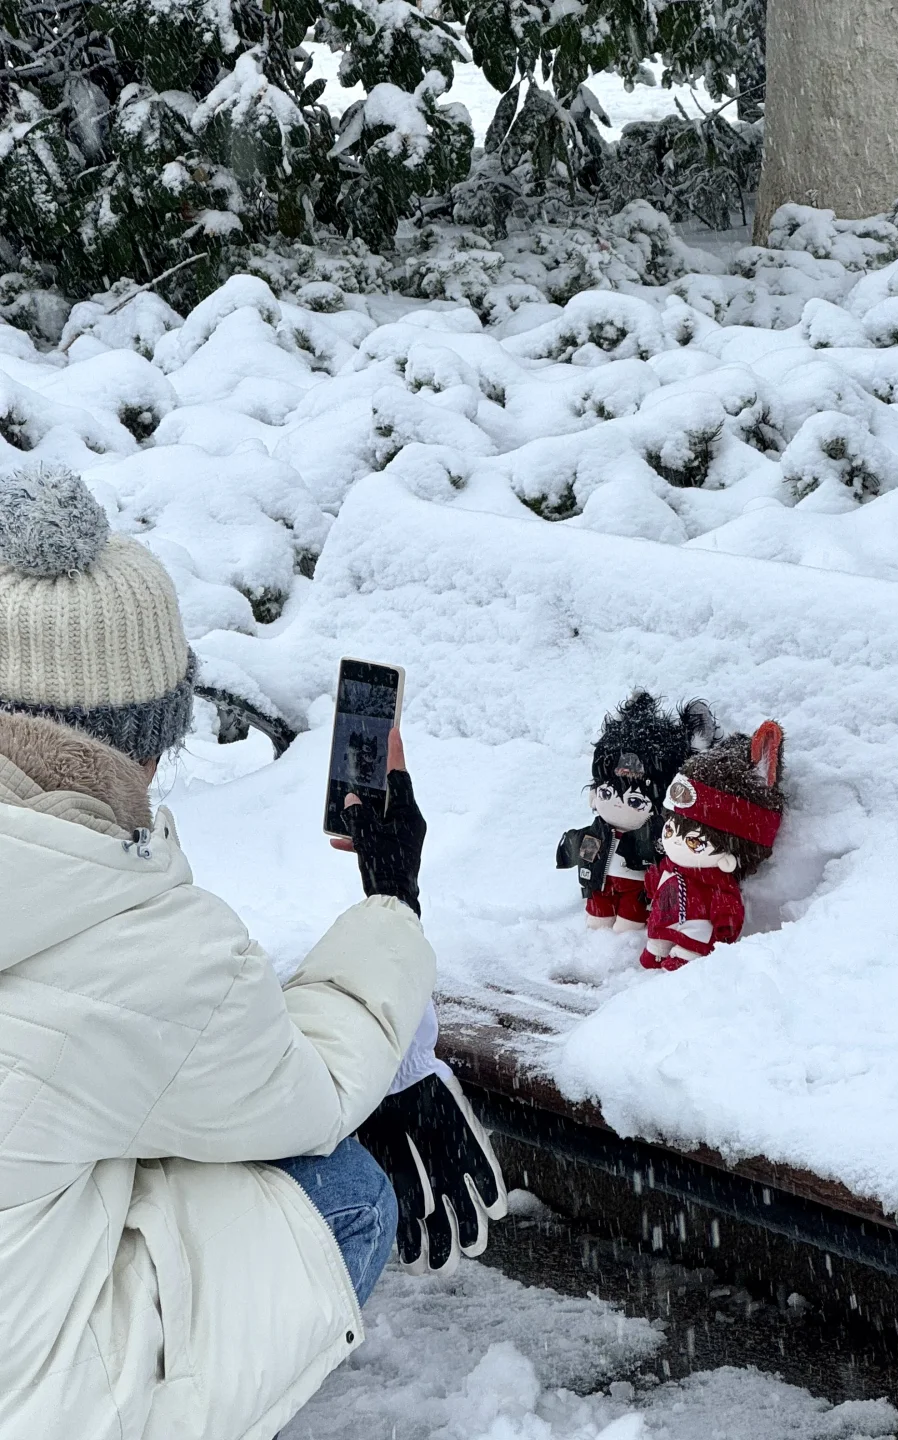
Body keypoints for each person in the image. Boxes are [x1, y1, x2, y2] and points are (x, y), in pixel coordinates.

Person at [0, 462, 504, 1440]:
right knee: (342, 1192)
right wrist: (391, 901)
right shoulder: (144, 945)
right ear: (145, 740)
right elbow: (303, 1090)